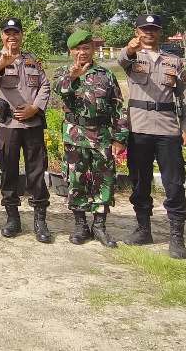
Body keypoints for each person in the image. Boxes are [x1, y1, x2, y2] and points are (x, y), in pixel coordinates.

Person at [118, 13, 186, 258]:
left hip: (167, 128)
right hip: (138, 127)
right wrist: (130, 48)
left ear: (159, 31)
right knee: (140, 181)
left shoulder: (174, 61)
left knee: (174, 183)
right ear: (137, 30)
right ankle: (143, 229)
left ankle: (176, 236)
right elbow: (122, 59)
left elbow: (183, 95)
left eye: (153, 29)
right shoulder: (132, 57)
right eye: (144, 28)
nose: (148, 33)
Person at [52, 30, 127, 248]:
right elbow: (59, 89)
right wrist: (73, 75)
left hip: (102, 135)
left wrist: (119, 138)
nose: (82, 53)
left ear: (93, 49)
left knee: (104, 179)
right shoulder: (63, 72)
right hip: (75, 135)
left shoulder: (105, 74)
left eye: (86, 48)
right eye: (77, 49)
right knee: (76, 180)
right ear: (70, 51)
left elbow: (118, 107)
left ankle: (100, 226)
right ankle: (80, 225)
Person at [0, 17, 52, 241]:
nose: (12, 37)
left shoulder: (33, 60)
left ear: (21, 35)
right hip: (8, 126)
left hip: (32, 124)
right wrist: (4, 62)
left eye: (16, 33)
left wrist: (35, 108)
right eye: (7, 33)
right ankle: (12, 218)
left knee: (36, 173)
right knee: (8, 172)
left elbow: (45, 84)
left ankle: (40, 221)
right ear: (2, 36)